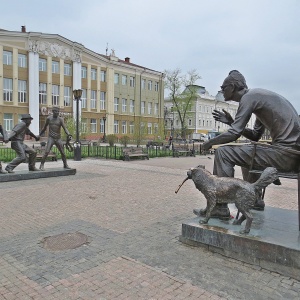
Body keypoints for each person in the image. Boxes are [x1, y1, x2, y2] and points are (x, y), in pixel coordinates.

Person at [197, 70, 300, 219]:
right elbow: (255, 135)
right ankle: (254, 200)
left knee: (223, 153)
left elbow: (234, 133)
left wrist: (209, 143)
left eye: (223, 87)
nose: (221, 90)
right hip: (291, 153)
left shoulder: (249, 97)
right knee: (247, 153)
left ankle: (219, 208)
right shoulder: (259, 99)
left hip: (286, 154)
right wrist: (232, 122)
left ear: (232, 87)